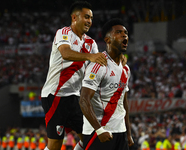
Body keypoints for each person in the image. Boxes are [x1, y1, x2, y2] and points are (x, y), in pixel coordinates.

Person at [41, 1, 108, 150]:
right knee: (55, 146)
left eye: (91, 18)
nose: (89, 21)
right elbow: (65, 53)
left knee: (89, 139)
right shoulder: (63, 33)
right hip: (56, 94)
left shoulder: (91, 43)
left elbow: (95, 68)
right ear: (74, 18)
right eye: (86, 17)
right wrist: (90, 57)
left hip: (76, 97)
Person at [79, 18, 134, 150]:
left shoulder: (126, 69)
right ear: (108, 40)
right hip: (99, 132)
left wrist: (128, 133)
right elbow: (83, 100)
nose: (124, 35)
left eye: (125, 33)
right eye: (119, 32)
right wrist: (99, 130)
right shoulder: (99, 65)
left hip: (120, 132)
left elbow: (123, 103)